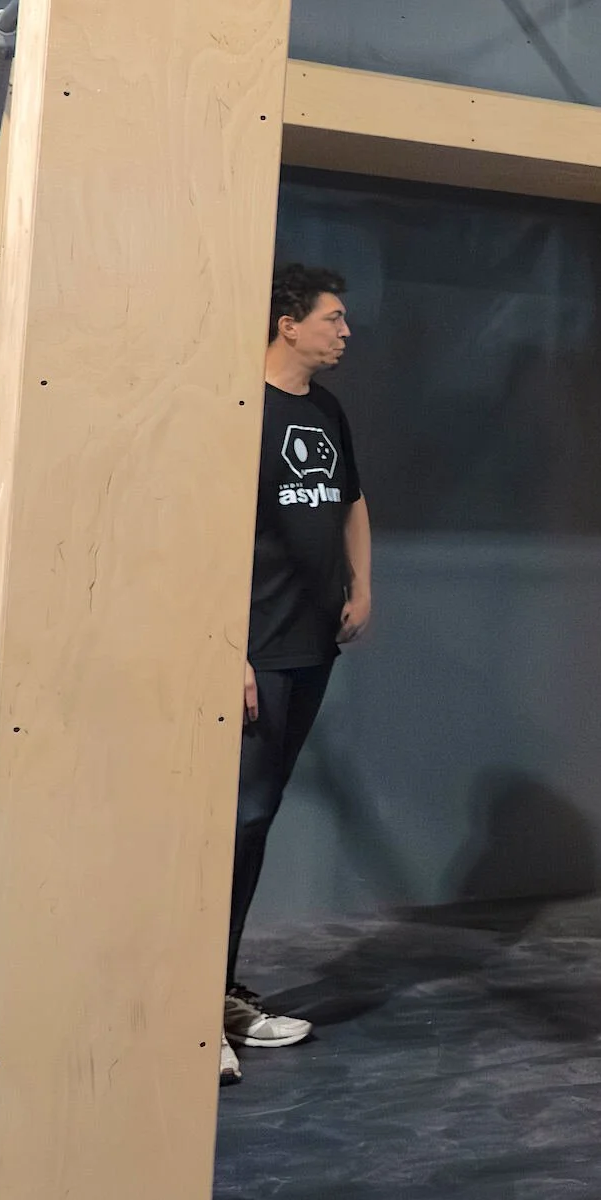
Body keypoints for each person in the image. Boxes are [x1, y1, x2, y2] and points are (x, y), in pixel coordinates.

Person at [227, 263, 373, 1084]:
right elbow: (206, 528)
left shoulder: (324, 408)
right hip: (255, 652)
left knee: (258, 818)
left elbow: (351, 498)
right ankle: (192, 1004)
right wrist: (225, 646)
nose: (344, 331)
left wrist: (363, 583)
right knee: (233, 823)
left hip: (308, 646)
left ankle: (218, 994)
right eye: (333, 317)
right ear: (288, 322)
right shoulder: (241, 406)